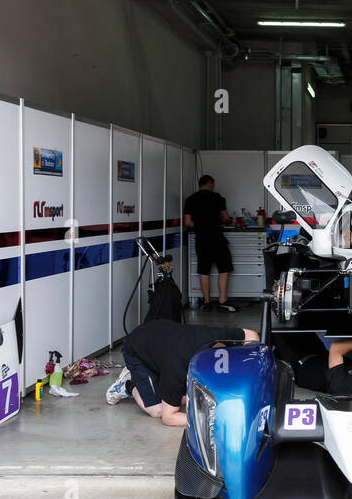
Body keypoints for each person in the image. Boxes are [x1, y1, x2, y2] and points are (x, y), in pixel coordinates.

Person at [107, 317, 259, 426]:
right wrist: (214, 421)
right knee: (158, 409)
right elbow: (168, 418)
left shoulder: (218, 337)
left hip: (161, 333)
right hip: (137, 349)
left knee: (187, 397)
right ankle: (129, 384)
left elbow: (252, 336)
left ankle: (154, 380)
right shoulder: (176, 368)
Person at [183, 174, 237, 312]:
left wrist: (201, 225)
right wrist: (227, 220)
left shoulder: (190, 199)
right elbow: (225, 218)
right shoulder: (217, 197)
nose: (214, 186)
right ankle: (222, 301)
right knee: (224, 269)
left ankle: (206, 302)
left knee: (204, 270)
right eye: (213, 184)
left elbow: (188, 222)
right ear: (208, 183)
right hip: (217, 239)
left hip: (201, 240)